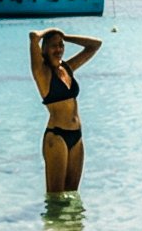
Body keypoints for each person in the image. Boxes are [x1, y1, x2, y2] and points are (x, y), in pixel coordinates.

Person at [30, 28, 102, 194]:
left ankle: (73, 222)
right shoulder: (42, 73)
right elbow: (34, 37)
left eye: (61, 45)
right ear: (44, 49)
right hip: (57, 137)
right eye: (54, 46)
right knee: (55, 198)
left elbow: (95, 45)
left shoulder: (67, 68)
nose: (59, 49)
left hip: (77, 137)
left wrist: (65, 36)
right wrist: (51, 31)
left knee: (72, 196)